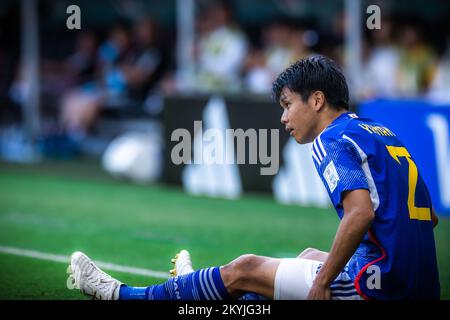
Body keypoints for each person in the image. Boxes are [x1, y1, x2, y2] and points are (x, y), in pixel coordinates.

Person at [68, 55, 440, 300]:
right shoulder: (378, 131)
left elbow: (360, 214)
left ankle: (123, 294)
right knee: (308, 257)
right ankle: (201, 293)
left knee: (245, 268)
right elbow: (429, 215)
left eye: (287, 105)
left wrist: (324, 282)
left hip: (386, 285)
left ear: (317, 100)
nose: (282, 118)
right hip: (419, 280)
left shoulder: (332, 138)